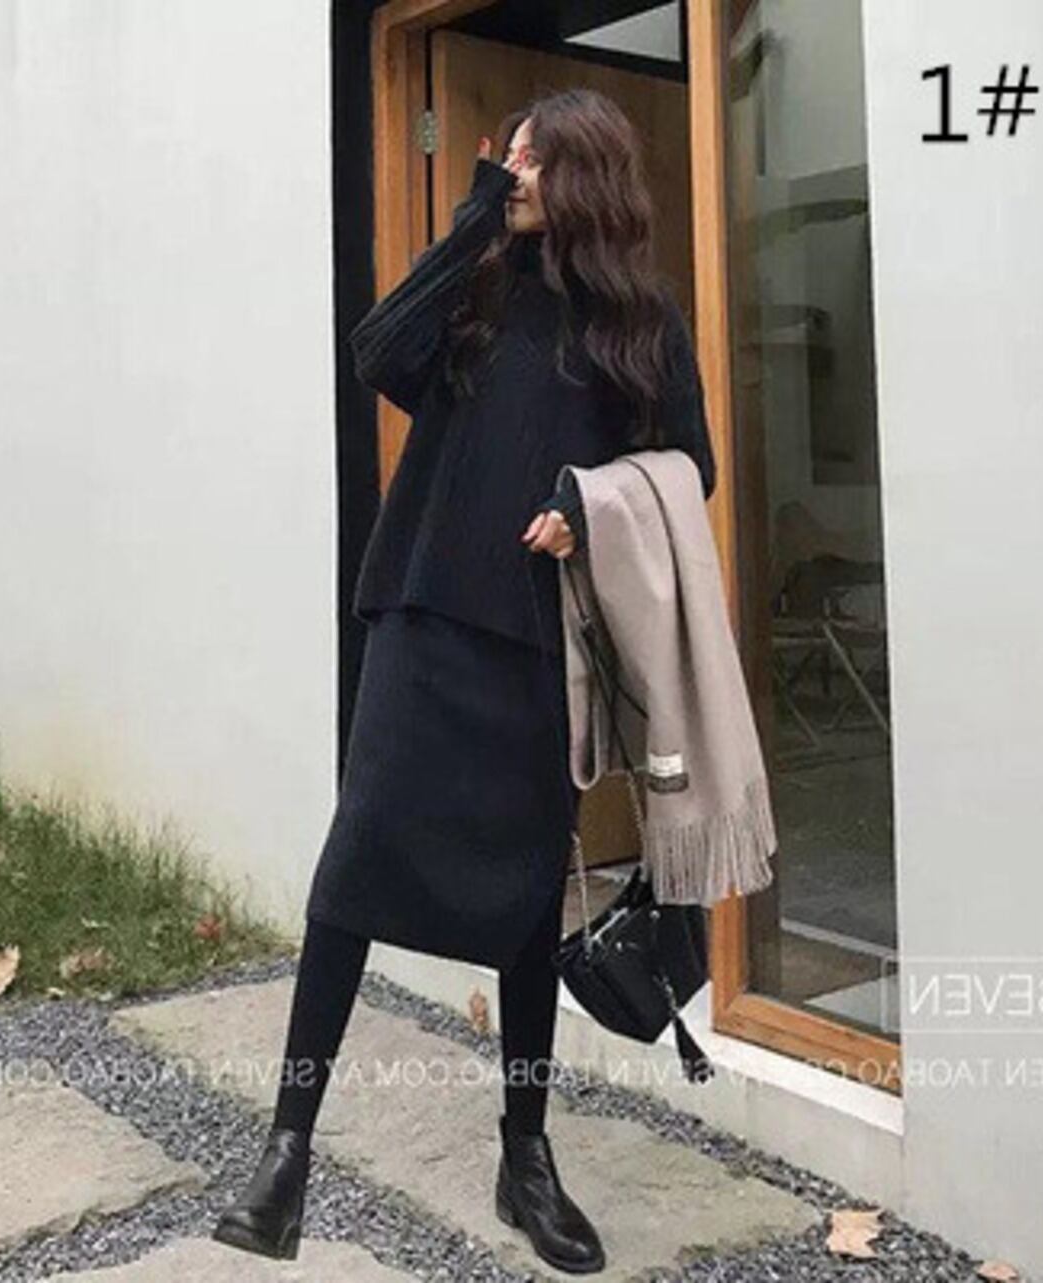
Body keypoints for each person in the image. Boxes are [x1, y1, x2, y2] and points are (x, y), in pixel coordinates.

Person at [211, 87, 716, 1274]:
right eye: (511, 156)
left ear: (586, 174)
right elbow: (376, 351)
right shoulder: (478, 287)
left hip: (539, 642)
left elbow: (687, 465)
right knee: (353, 867)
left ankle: (523, 1154)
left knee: (523, 901)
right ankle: (285, 1150)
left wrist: (588, 506)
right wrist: (476, 213)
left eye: (534, 160)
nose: (516, 170)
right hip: (423, 616)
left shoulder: (640, 323)